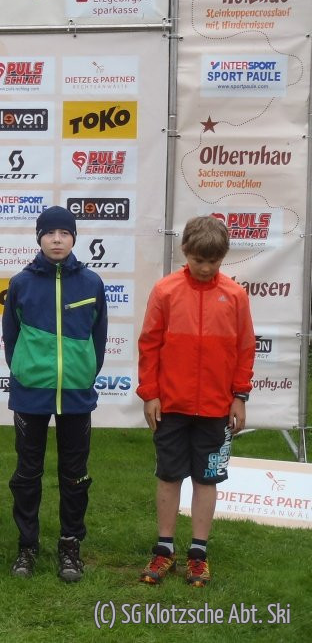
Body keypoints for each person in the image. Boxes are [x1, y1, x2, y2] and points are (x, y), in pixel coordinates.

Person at [137, 215, 254, 588]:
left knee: (206, 478)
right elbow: (149, 344)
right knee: (169, 475)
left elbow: (244, 348)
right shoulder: (165, 291)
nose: (205, 268)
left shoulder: (234, 296)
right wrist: (150, 394)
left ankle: (198, 554)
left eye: (213, 261)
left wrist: (239, 397)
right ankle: (164, 548)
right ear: (184, 251)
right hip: (171, 405)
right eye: (198, 260)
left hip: (217, 408)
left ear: (224, 257)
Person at [2, 205, 107, 582]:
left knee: (75, 474)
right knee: (27, 473)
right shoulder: (21, 283)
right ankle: (27, 546)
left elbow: (99, 336)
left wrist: (84, 372)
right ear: (39, 238)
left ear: (74, 238)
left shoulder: (92, 283)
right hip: (31, 392)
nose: (57, 240)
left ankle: (70, 545)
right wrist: (25, 370)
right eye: (49, 233)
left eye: (64, 233)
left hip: (76, 393)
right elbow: (10, 338)